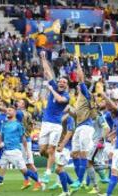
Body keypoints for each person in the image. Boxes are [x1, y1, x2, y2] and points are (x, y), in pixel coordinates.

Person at [0, 106, 43, 192]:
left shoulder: (18, 125)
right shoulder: (4, 124)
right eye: (7, 110)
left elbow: (23, 139)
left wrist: (26, 151)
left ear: (15, 112)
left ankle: (38, 180)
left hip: (14, 151)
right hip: (3, 150)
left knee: (25, 171)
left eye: (10, 110)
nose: (7, 112)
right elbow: (0, 136)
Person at [39, 51, 70, 184]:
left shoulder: (67, 96)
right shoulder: (53, 83)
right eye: (60, 81)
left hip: (56, 125)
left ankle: (47, 172)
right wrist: (43, 58)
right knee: (42, 151)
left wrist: (51, 89)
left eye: (64, 82)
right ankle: (58, 159)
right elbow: (47, 71)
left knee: (51, 149)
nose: (61, 83)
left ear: (66, 85)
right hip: (46, 123)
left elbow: (58, 99)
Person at [68, 57, 95, 190]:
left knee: (84, 154)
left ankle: (79, 180)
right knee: (74, 154)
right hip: (79, 126)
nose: (77, 85)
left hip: (86, 127)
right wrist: (69, 111)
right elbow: (76, 115)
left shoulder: (85, 94)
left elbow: (81, 78)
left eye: (79, 84)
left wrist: (78, 63)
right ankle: (81, 179)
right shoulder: (79, 99)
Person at [16, 99, 41, 191]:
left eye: (20, 102)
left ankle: (38, 181)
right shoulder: (28, 114)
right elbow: (32, 125)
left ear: (23, 105)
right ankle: (27, 181)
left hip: (24, 140)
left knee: (29, 163)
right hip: (23, 139)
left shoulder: (20, 113)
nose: (18, 103)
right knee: (22, 163)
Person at [54, 113, 75, 196]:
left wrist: (62, 145)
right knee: (58, 169)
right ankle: (73, 185)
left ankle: (65, 191)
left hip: (66, 147)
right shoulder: (59, 116)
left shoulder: (70, 118)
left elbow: (70, 132)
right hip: (60, 146)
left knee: (59, 169)